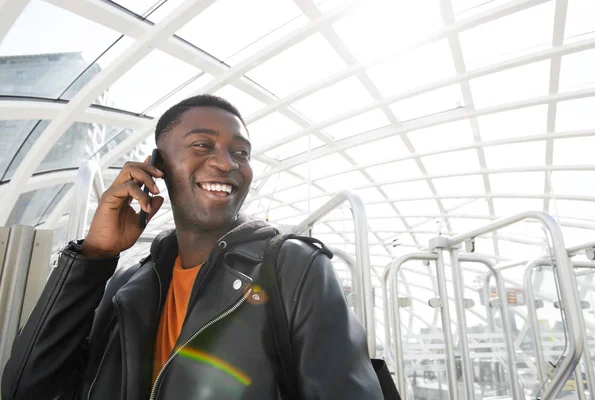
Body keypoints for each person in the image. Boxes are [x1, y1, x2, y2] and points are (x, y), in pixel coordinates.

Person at [1, 94, 383, 399]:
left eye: (241, 152)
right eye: (202, 145)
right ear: (157, 166)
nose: (226, 162)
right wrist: (94, 258)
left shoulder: (293, 268)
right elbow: (26, 389)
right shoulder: (126, 287)